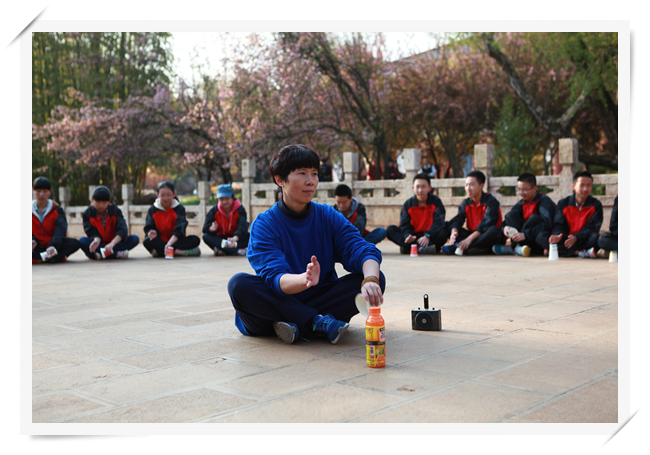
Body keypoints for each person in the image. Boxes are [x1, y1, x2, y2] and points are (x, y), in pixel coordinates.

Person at [227, 144, 386, 345]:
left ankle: (294, 324)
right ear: (279, 179)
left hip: (319, 297)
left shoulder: (327, 215)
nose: (310, 181)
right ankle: (315, 322)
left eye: (314, 174)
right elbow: (275, 277)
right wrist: (305, 279)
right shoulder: (265, 224)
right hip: (281, 299)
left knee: (375, 278)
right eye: (302, 173)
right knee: (239, 285)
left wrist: (370, 279)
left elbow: (359, 247)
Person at [493, 173, 556, 257]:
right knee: (510, 215)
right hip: (523, 237)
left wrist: (525, 235)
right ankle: (517, 247)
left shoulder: (544, 201)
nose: (521, 193)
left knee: (534, 218)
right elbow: (508, 219)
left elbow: (547, 224)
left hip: (536, 238)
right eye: (519, 189)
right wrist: (504, 228)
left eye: (524, 190)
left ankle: (515, 248)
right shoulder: (522, 202)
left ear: (534, 188)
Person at [443, 170, 504, 255]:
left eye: (471, 185)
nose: (468, 188)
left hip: (488, 236)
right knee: (447, 225)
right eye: (466, 185)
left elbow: (486, 224)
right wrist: (454, 232)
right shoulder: (466, 203)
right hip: (473, 235)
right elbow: (458, 219)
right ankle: (478, 248)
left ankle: (460, 247)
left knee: (493, 230)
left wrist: (469, 239)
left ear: (481, 186)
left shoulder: (491, 202)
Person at [386, 173, 448, 255]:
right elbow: (404, 224)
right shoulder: (408, 204)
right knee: (390, 230)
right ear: (413, 188)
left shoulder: (436, 202)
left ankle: (411, 248)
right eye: (417, 187)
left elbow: (438, 222)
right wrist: (408, 236)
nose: (420, 190)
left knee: (444, 231)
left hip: (430, 236)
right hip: (414, 236)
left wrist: (428, 235)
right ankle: (425, 248)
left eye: (423, 187)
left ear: (429, 188)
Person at [549, 170, 603, 258]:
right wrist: (558, 235)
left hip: (583, 239)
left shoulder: (596, 205)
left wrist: (577, 237)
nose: (585, 189)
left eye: (588, 185)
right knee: (548, 241)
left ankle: (572, 252)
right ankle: (579, 253)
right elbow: (558, 225)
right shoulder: (563, 203)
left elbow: (592, 228)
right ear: (573, 186)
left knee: (597, 238)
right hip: (567, 240)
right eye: (582, 185)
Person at [79, 186, 140, 260]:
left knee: (134, 239)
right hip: (98, 244)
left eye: (104, 202)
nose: (101, 205)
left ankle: (101, 254)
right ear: (92, 200)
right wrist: (97, 241)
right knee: (82, 241)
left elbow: (122, 229)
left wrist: (112, 243)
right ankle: (116, 254)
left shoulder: (115, 211)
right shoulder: (88, 213)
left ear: (109, 201)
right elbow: (91, 231)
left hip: (114, 243)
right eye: (98, 202)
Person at [143, 181, 201, 258]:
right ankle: (181, 252)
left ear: (174, 194)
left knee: (195, 239)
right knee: (147, 241)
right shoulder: (152, 210)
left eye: (168, 195)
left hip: (176, 241)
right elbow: (148, 227)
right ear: (157, 195)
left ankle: (160, 252)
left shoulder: (179, 209)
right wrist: (151, 232)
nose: (166, 198)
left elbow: (180, 229)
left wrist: (169, 244)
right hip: (161, 240)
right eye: (162, 195)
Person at [32, 177, 81, 264]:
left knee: (75, 243)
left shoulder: (57, 210)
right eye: (38, 191)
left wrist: (53, 245)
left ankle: (40, 258)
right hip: (37, 246)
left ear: (50, 192)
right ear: (33, 190)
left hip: (53, 246)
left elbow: (61, 230)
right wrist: (33, 240)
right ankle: (55, 258)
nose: (41, 195)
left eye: (45, 191)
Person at [202, 184, 249, 256]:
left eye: (227, 199)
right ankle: (237, 251)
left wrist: (235, 237)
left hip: (236, 239)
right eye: (221, 199)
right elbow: (205, 228)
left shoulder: (240, 209)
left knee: (252, 236)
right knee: (206, 236)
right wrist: (211, 229)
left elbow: (242, 226)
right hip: (221, 240)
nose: (224, 202)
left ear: (232, 197)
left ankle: (224, 251)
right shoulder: (214, 211)